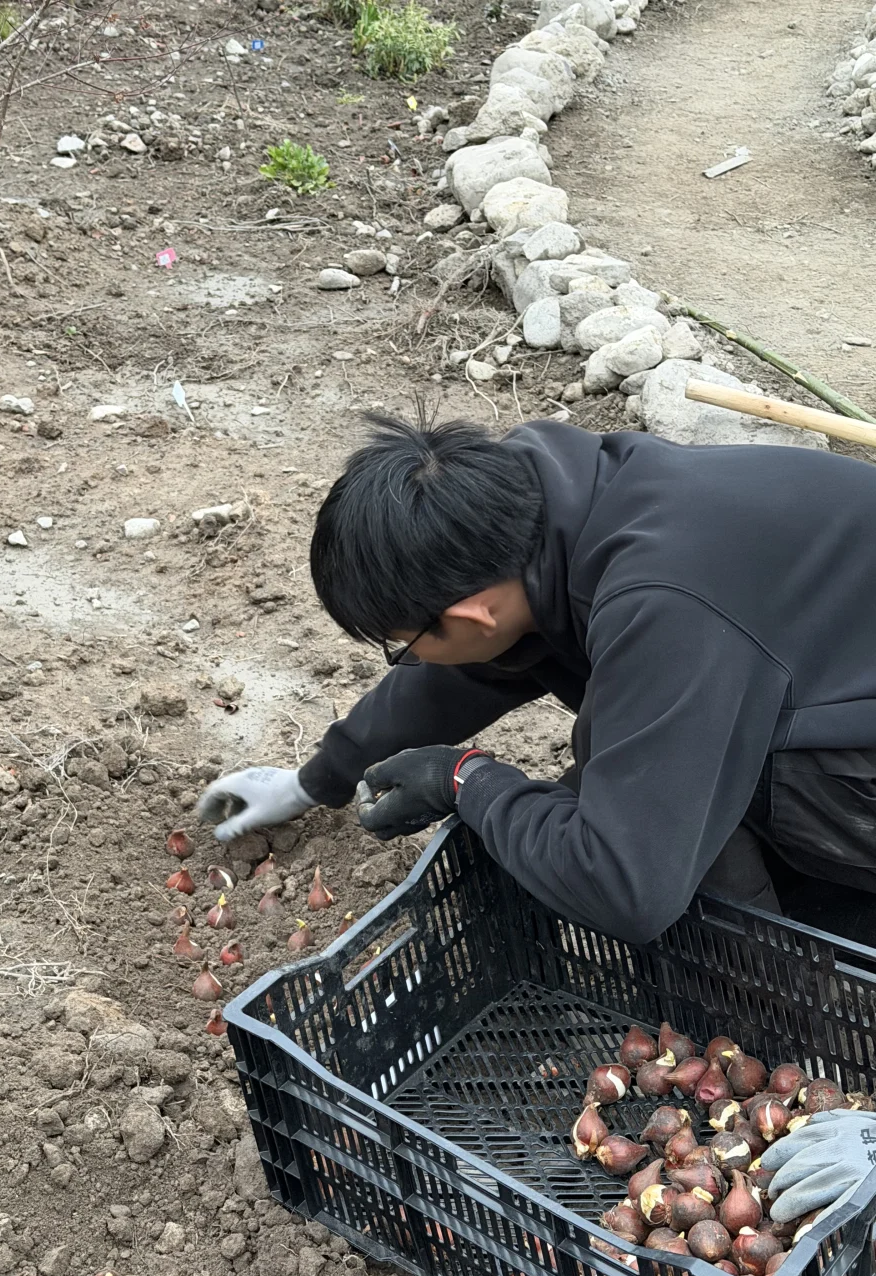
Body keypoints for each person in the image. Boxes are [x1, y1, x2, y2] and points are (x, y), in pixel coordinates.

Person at [198, 409, 876, 1215]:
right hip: (828, 672)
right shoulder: (533, 508)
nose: (406, 658)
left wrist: (469, 781)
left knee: (632, 808)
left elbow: (622, 888)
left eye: (400, 643)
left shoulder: (662, 602)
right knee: (628, 770)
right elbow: (468, 666)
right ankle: (775, 984)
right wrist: (321, 776)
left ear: (473, 611)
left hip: (845, 733)